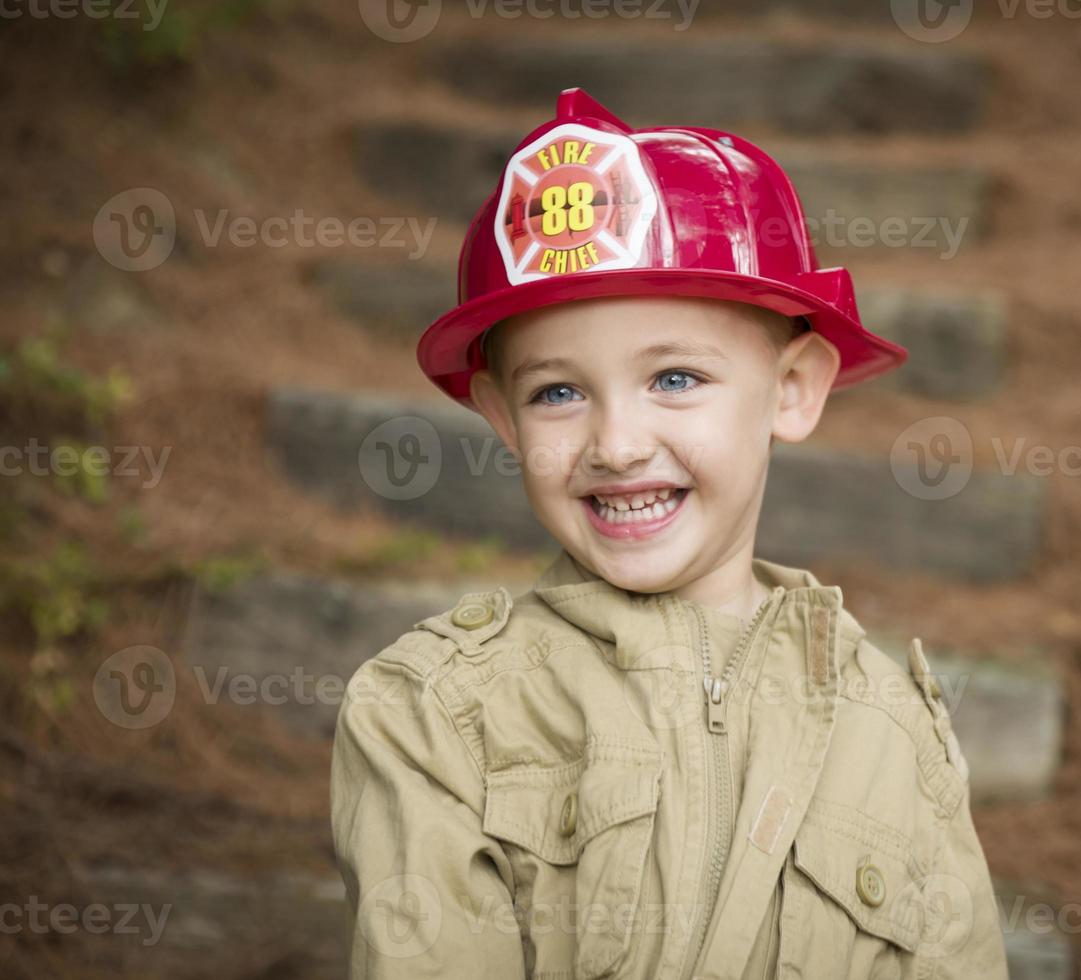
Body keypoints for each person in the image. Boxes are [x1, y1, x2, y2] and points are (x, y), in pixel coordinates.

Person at [330, 87, 1009, 980]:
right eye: (558, 393)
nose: (616, 444)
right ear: (501, 416)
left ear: (795, 387)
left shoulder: (892, 732)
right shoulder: (432, 715)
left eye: (677, 378)